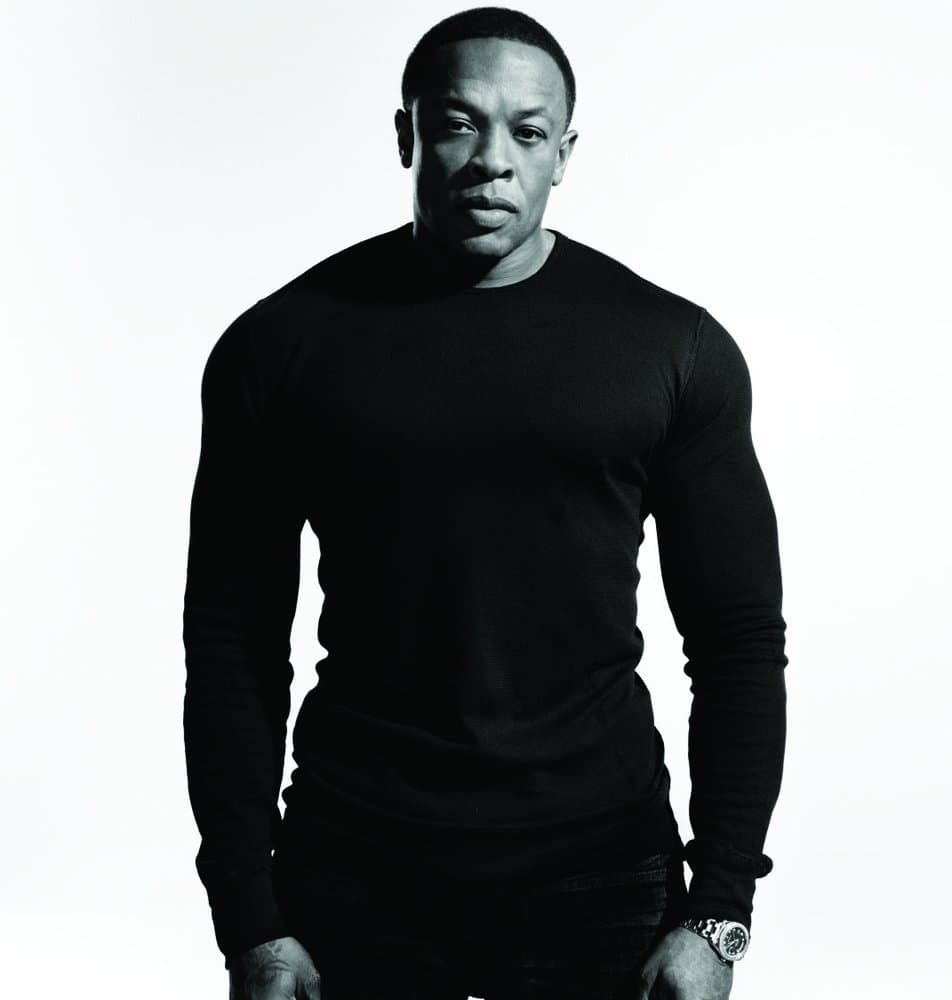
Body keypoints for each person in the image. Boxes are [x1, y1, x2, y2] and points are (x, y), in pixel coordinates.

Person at [182, 7, 788, 1000]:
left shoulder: (670, 350)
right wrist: (248, 916)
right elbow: (231, 644)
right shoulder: (280, 349)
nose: (492, 160)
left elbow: (736, 642)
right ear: (407, 134)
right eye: (459, 123)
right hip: (355, 869)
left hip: (600, 870)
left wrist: (718, 912)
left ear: (565, 153)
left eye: (528, 131)